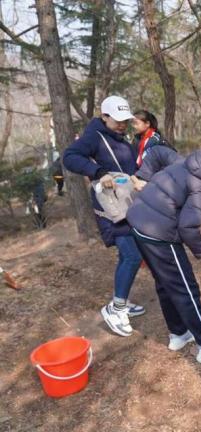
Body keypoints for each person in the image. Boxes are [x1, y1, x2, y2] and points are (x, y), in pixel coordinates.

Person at [126, 151, 201, 364]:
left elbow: (161, 158)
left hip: (139, 221)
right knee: (186, 289)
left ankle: (179, 333)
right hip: (159, 231)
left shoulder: (194, 163)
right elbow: (188, 226)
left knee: (166, 284)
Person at [63, 95, 145, 337]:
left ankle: (123, 299)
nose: (122, 124)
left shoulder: (119, 138)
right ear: (104, 116)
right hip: (110, 207)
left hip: (128, 202)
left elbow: (129, 166)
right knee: (132, 254)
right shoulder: (94, 136)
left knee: (127, 255)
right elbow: (70, 157)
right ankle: (116, 309)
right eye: (117, 119)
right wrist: (97, 171)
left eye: (125, 120)